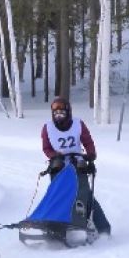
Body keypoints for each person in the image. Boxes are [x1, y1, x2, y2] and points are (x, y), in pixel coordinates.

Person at [41, 97, 111, 235]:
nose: (59, 117)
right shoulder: (47, 128)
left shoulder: (78, 124)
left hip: (78, 165)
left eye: (62, 113)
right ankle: (54, 229)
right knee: (58, 195)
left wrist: (90, 156)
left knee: (84, 195)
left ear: (68, 113)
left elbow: (88, 142)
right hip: (58, 166)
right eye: (56, 114)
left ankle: (103, 229)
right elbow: (46, 148)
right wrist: (54, 155)